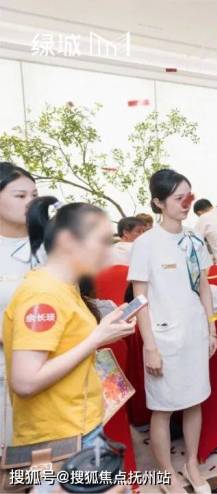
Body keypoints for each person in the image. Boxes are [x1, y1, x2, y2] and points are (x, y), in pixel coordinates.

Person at [3, 197, 135, 447]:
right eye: (101, 242)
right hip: (59, 436)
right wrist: (97, 338)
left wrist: (105, 330)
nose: (108, 253)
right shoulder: (43, 294)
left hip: (81, 424)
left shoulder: (66, 286)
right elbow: (26, 381)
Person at [128, 170, 217, 493]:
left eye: (189, 196)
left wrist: (211, 329)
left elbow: (204, 287)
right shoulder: (145, 244)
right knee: (163, 408)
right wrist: (150, 346)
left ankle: (192, 463)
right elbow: (140, 300)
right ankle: (166, 473)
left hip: (195, 333)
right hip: (162, 339)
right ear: (158, 202)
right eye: (179, 198)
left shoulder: (195, 239)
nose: (186, 203)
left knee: (195, 401)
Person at [0, 162, 41, 445]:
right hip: (6, 370)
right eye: (20, 195)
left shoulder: (50, 246)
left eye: (34, 196)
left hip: (54, 369)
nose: (31, 203)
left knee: (46, 458)